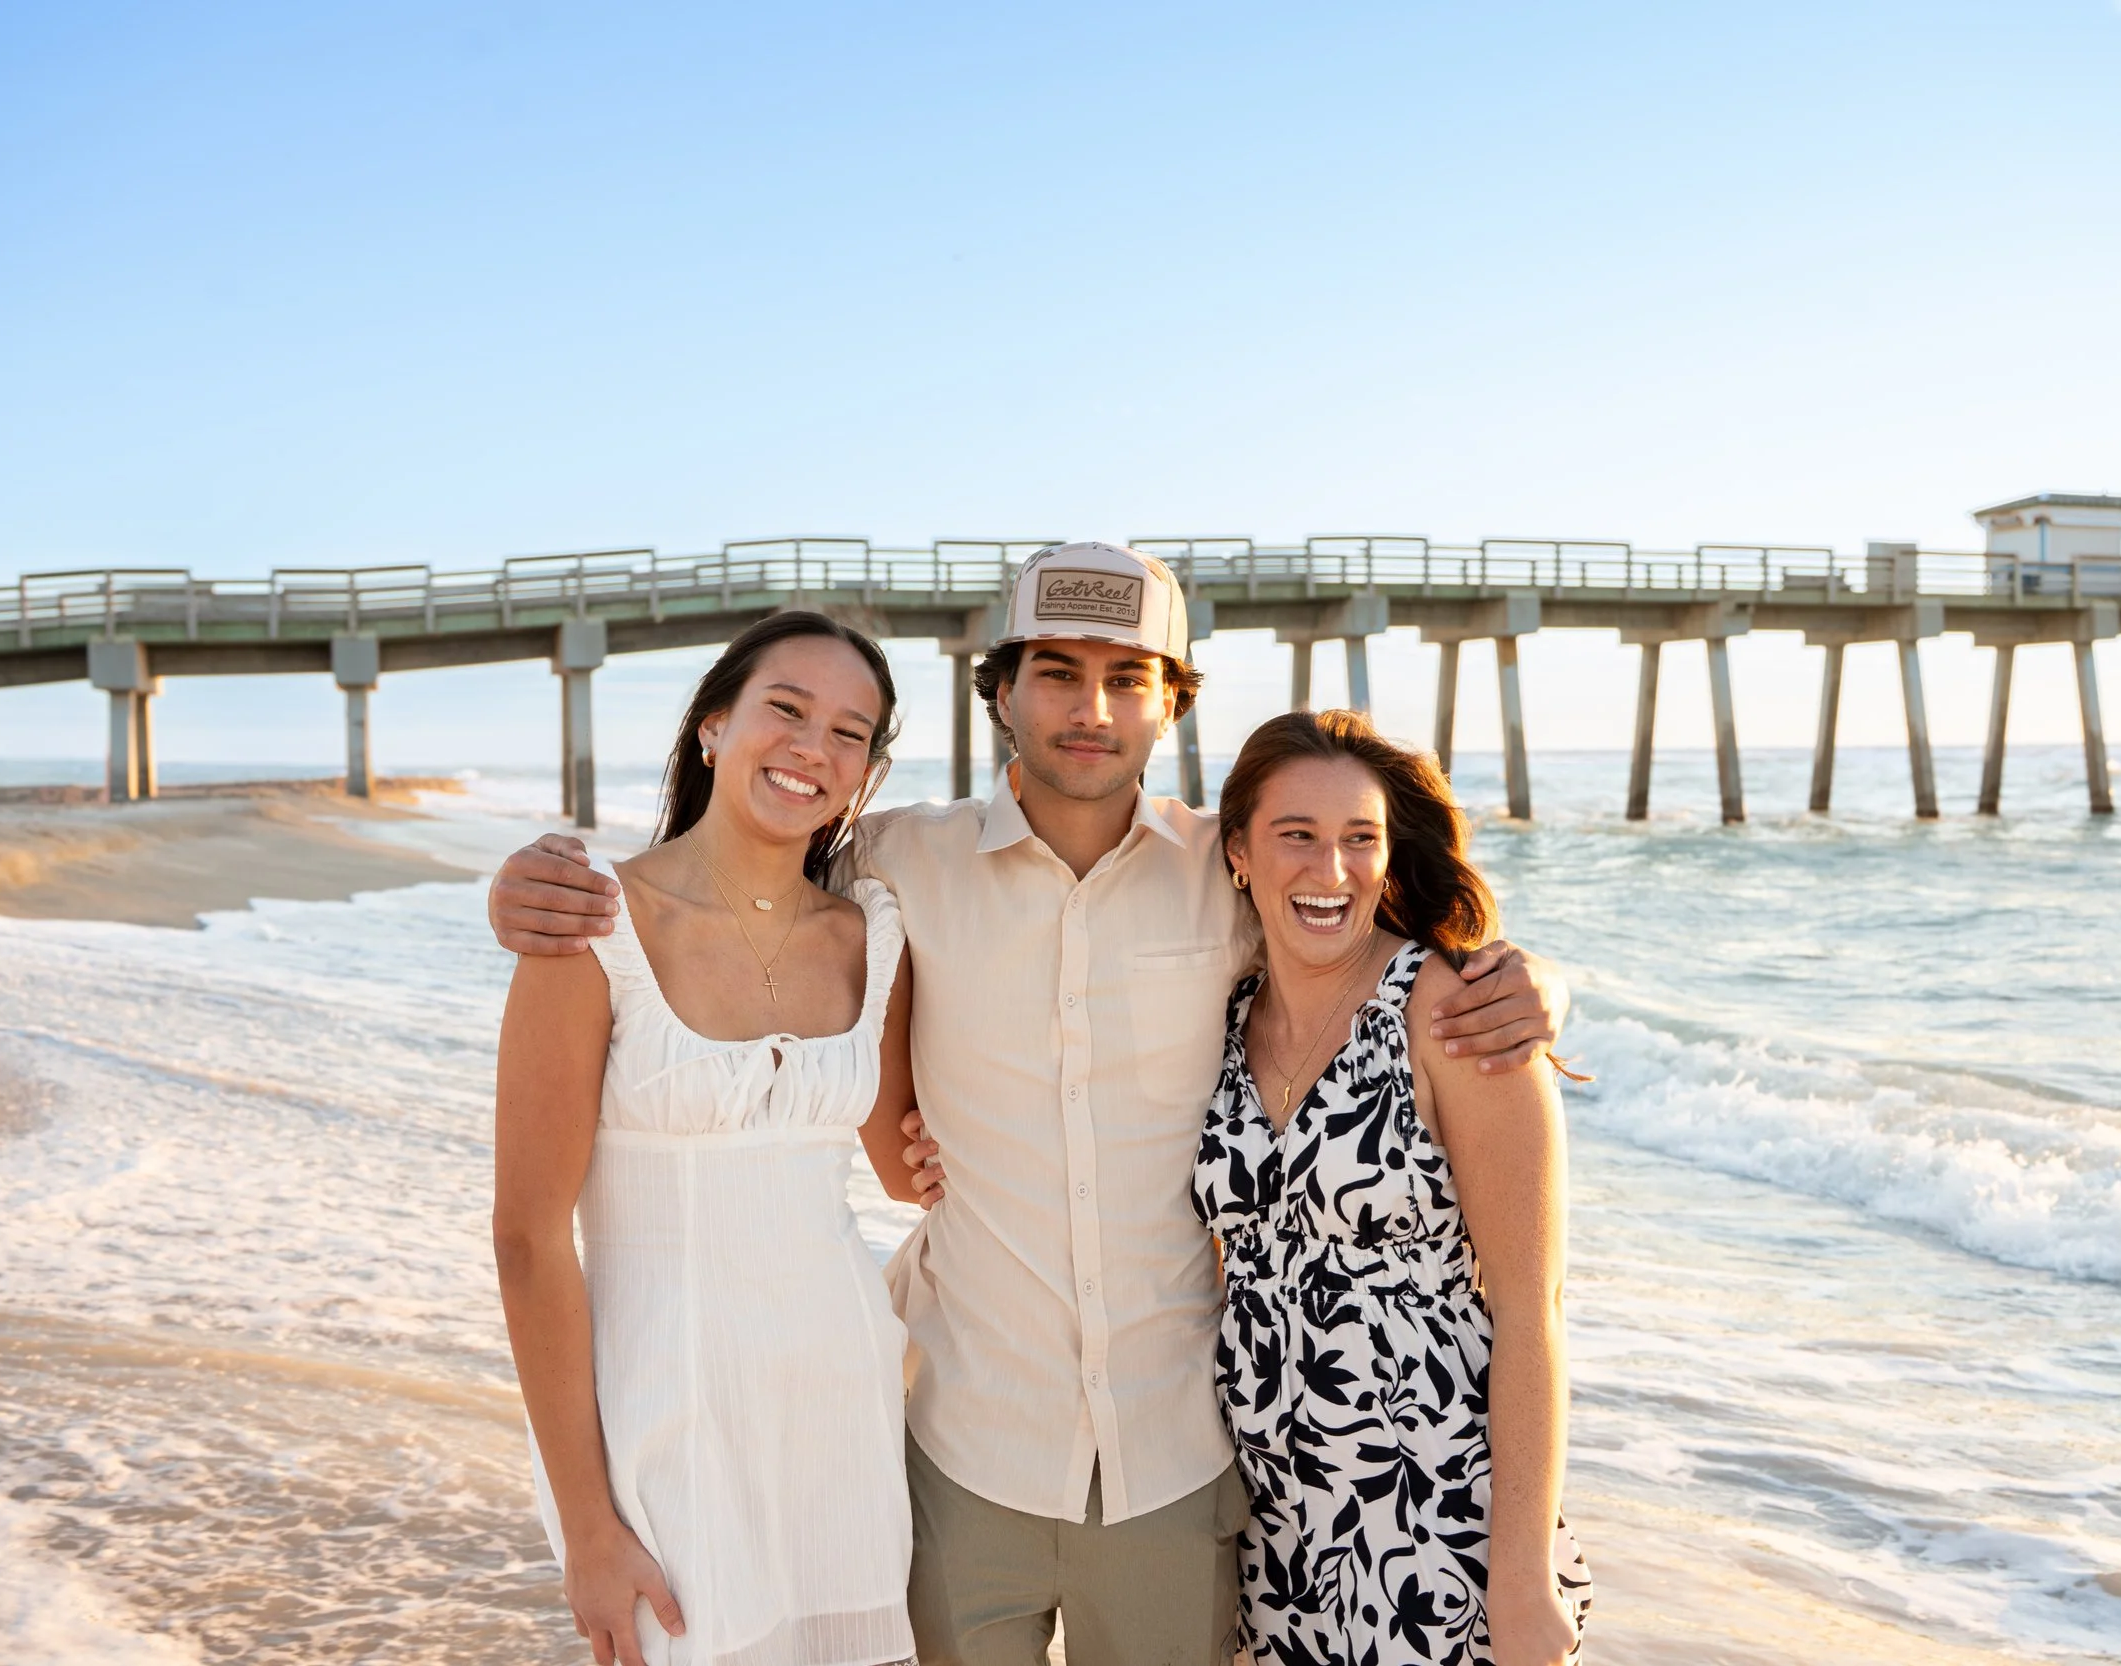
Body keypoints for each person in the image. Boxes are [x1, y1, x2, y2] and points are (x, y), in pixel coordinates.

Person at [489, 544, 1573, 1666]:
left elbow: (1380, 939)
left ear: (1171, 706)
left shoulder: (1238, 868)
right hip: (960, 1455)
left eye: (1129, 678)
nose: (1091, 708)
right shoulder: (897, 864)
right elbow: (740, 893)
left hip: (1175, 1464)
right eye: (1056, 671)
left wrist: (1535, 981)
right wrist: (524, 889)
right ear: (1001, 691)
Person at [492, 611, 922, 1666]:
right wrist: (588, 1526)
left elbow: (908, 1172)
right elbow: (528, 1243)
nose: (813, 747)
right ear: (713, 729)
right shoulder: (595, 927)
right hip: (664, 1424)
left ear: (866, 769)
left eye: (851, 731)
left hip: (843, 1417)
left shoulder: (872, 932)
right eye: (786, 709)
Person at [1195, 709, 1591, 1666]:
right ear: (1239, 852)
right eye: (1296, 835)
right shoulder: (1225, 1010)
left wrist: (1522, 1571)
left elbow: (1530, 1312)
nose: (1329, 871)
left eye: (1358, 839)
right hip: (1274, 1526)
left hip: (1434, 1522)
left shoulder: (1457, 1015)